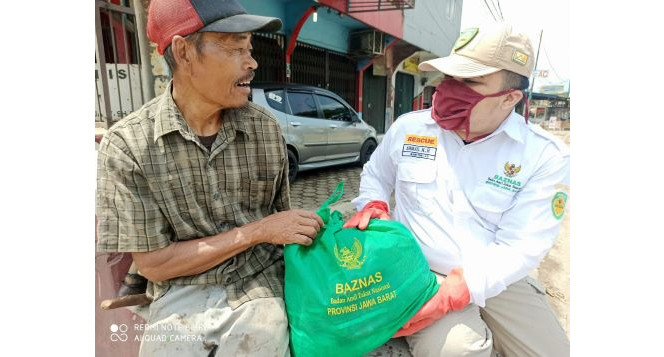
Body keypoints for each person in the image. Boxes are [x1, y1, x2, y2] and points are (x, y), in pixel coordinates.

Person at [95, 0, 324, 355]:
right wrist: (256, 231)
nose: (252, 62)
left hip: (258, 284)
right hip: (178, 291)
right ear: (183, 52)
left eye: (250, 47)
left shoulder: (265, 130)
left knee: (262, 337)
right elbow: (154, 264)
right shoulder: (128, 145)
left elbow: (282, 233)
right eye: (235, 48)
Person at [344, 23, 570, 357]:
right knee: (460, 351)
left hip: (497, 276)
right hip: (421, 269)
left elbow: (522, 245)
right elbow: (376, 173)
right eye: (450, 78)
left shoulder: (543, 156)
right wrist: (373, 203)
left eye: (470, 82)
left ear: (510, 98)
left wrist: (458, 291)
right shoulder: (409, 128)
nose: (449, 90)